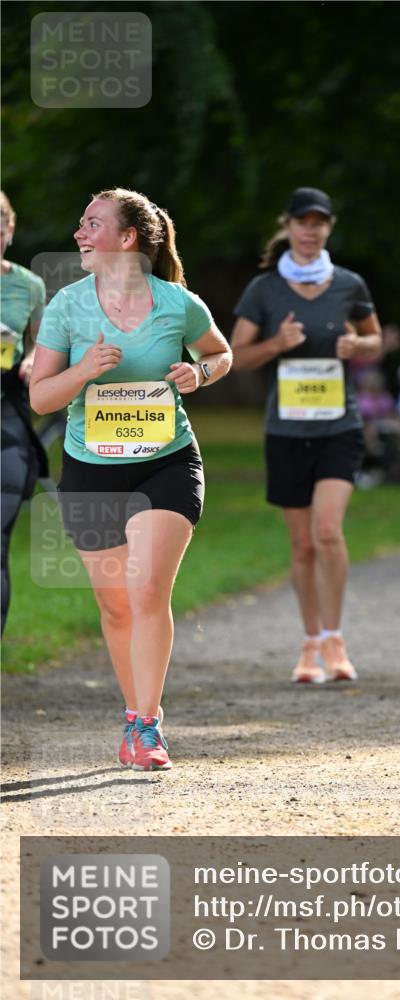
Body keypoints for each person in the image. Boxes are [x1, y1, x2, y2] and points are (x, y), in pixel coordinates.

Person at [30, 188, 232, 770]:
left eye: (92, 223)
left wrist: (199, 373)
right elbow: (41, 397)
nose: (79, 233)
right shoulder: (68, 305)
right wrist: (83, 372)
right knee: (117, 606)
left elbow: (220, 354)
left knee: (146, 592)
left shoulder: (178, 303)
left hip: (167, 461)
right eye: (80, 223)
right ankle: (133, 716)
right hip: (90, 470)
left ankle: (147, 725)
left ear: (127, 238)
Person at [230, 187, 382, 683]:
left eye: (319, 223)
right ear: (288, 226)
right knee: (302, 545)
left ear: (329, 228)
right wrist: (277, 343)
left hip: (340, 426)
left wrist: (358, 345)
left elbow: (375, 339)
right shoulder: (265, 289)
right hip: (287, 431)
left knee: (328, 531)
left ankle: (336, 640)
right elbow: (236, 356)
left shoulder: (349, 284)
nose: (310, 231)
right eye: (303, 222)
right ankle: (309, 642)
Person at [1, 191, 49, 634]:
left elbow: (40, 343)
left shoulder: (29, 286)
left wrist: (33, 361)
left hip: (8, 414)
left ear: (10, 230)